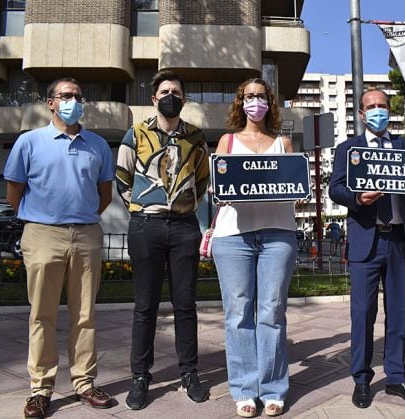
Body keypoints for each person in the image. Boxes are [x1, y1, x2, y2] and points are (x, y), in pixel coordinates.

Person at [4, 77, 115, 418]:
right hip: (42, 234)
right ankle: (41, 388)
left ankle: (84, 382)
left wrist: (78, 217)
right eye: (66, 95)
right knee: (42, 314)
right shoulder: (29, 142)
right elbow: (14, 191)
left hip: (85, 234)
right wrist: (42, 218)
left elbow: (105, 194)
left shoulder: (97, 145)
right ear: (51, 102)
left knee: (86, 315)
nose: (73, 100)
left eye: (78, 96)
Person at [329, 88, 405, 409]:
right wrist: (356, 197)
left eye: (382, 106)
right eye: (370, 107)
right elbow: (335, 187)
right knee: (362, 313)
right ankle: (361, 380)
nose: (377, 111)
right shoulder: (349, 149)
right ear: (361, 114)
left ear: (390, 111)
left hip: (399, 241)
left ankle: (396, 377)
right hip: (366, 238)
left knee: (399, 314)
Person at [115, 70, 210, 410]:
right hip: (146, 227)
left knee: (185, 304)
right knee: (146, 305)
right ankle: (140, 376)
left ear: (184, 99)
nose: (172, 95)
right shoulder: (136, 133)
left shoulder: (196, 138)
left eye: (177, 91)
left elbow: (201, 182)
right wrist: (142, 209)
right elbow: (122, 178)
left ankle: (189, 372)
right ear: (154, 98)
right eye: (165, 90)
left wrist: (183, 208)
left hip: (184, 227)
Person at [211, 78, 297, 418]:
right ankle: (245, 389)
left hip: (278, 234)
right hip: (233, 236)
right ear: (240, 102)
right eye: (249, 96)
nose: (255, 102)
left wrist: (298, 190)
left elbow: (294, 186)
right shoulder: (227, 141)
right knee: (238, 315)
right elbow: (218, 186)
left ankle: (274, 388)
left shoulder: (283, 143)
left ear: (269, 102)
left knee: (272, 313)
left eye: (261, 96)